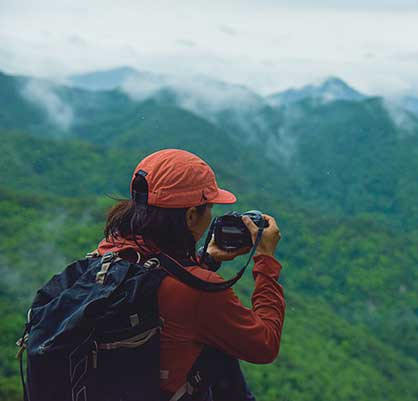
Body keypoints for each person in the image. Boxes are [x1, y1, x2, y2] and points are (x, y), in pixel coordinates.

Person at [94, 149, 285, 400]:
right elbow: (264, 345)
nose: (211, 217)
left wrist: (206, 260)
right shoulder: (201, 291)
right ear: (191, 215)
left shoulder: (107, 253)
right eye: (208, 209)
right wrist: (265, 261)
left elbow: (162, 285)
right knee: (220, 350)